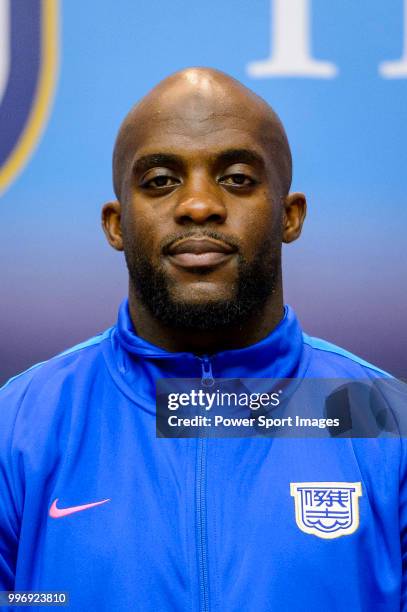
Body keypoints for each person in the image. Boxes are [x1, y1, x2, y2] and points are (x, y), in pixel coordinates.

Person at [0, 67, 405, 611]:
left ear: (290, 215)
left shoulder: (385, 422)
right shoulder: (19, 426)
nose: (198, 205)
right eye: (160, 181)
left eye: (236, 178)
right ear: (116, 225)